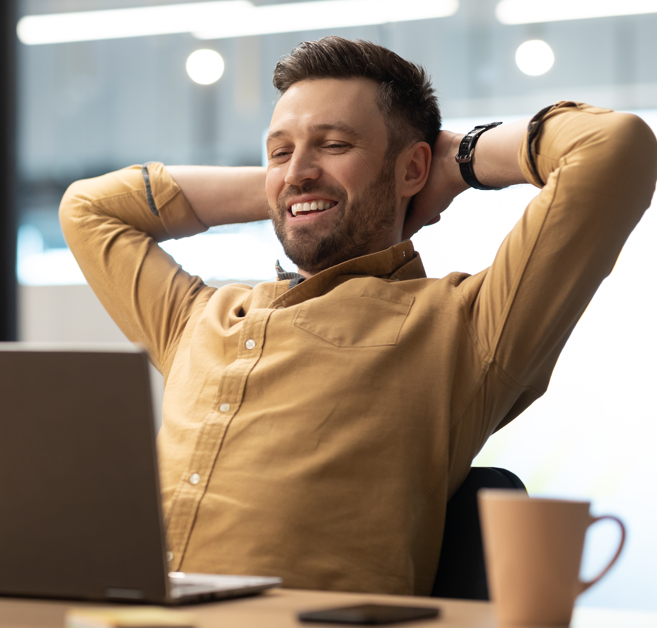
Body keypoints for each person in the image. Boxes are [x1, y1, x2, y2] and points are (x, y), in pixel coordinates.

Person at [59, 37, 657, 595]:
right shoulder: (201, 317)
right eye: (279, 150)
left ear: (413, 169)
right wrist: (292, 190)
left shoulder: (467, 326)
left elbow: (614, 147)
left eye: (336, 144)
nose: (297, 167)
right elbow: (87, 210)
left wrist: (458, 161)